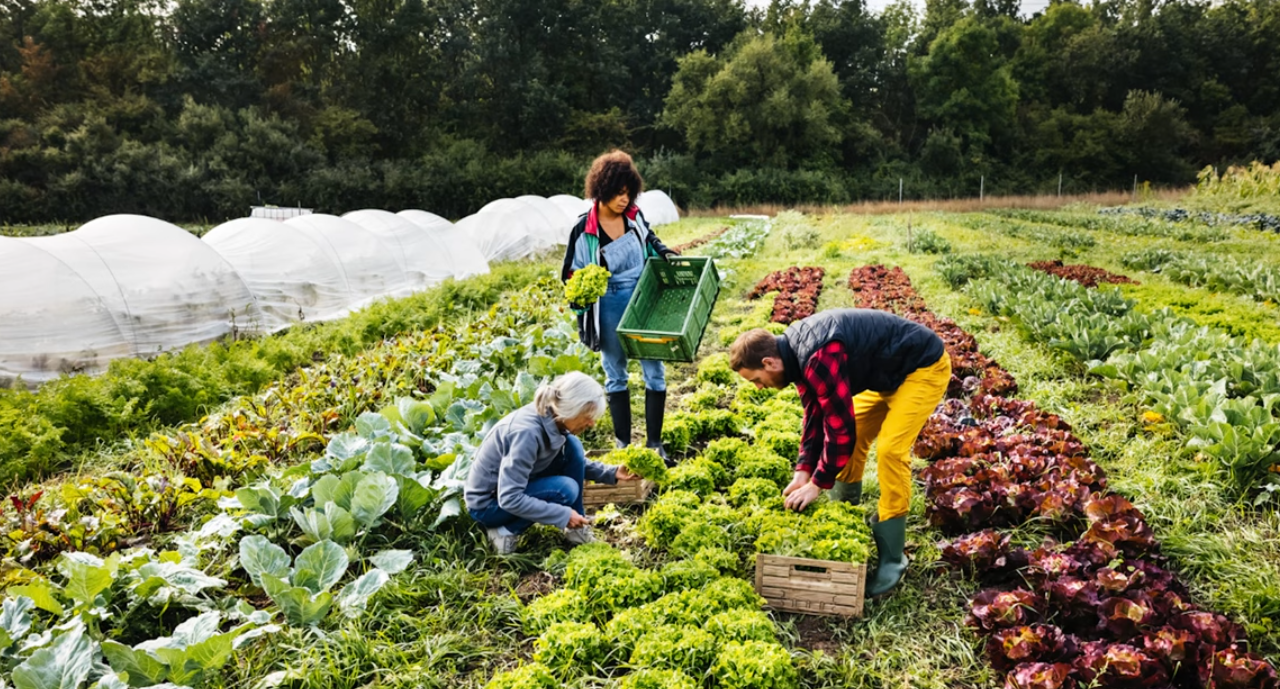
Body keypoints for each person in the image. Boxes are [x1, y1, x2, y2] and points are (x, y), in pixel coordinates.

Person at [729, 308, 950, 597]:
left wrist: (818, 484)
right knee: (855, 434)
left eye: (755, 379)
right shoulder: (794, 356)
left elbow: (838, 428)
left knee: (890, 451)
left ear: (769, 362)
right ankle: (847, 510)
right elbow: (814, 415)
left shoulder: (817, 356)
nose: (758, 387)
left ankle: (894, 557)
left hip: (921, 368)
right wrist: (802, 473)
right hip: (886, 375)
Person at [561, 150, 679, 461]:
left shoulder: (634, 216)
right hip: (609, 301)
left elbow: (649, 236)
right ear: (601, 190)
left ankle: (655, 443)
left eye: (628, 193)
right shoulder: (583, 229)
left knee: (654, 370)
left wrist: (663, 250)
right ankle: (623, 445)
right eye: (618, 193)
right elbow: (570, 274)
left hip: (642, 295)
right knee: (616, 374)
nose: (624, 200)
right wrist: (582, 293)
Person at [464, 371, 638, 554]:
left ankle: (577, 527)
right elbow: (509, 498)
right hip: (488, 505)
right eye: (587, 416)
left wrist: (612, 472)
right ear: (572, 408)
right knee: (565, 490)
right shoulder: (527, 434)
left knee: (573, 446)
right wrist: (562, 514)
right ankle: (503, 532)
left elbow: (573, 461)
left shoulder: (553, 420)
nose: (591, 424)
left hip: (510, 488)